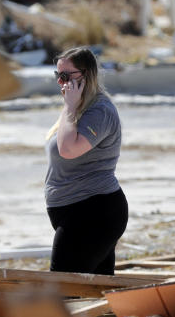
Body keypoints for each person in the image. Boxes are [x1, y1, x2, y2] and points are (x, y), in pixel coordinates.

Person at [44, 47, 127, 274]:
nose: (61, 83)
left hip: (93, 211)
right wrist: (70, 105)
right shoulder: (77, 106)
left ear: (87, 74)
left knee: (63, 288)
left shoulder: (99, 111)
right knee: (97, 290)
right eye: (58, 76)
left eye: (67, 76)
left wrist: (69, 106)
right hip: (74, 209)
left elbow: (69, 149)